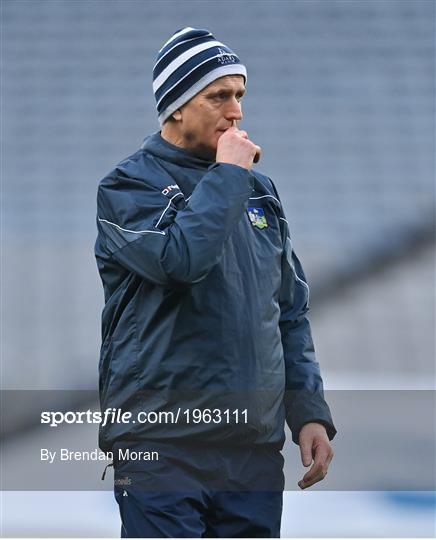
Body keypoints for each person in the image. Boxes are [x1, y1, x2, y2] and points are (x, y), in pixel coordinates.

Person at [95, 27, 337, 538]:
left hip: (251, 450)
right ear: (177, 106)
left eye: (240, 96)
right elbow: (181, 261)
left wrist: (309, 414)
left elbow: (288, 312)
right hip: (163, 445)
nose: (237, 112)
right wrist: (229, 174)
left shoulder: (260, 192)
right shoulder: (126, 187)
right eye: (219, 96)